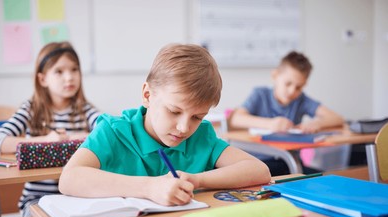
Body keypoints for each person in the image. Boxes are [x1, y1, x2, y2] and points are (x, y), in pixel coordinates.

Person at [59, 43, 271, 206]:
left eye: (197, 117)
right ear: (147, 95)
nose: (184, 128)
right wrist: (150, 187)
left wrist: (197, 180)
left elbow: (259, 171)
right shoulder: (113, 132)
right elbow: (69, 179)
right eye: (174, 111)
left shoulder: (201, 137)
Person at [0, 41, 100, 217]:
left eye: (74, 69)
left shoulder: (85, 110)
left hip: (76, 196)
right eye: (59, 71)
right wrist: (45, 140)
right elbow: (0, 140)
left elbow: (109, 131)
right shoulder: (31, 110)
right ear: (43, 79)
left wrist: (73, 136)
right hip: (37, 198)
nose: (69, 77)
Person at [229, 51, 344, 176]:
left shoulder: (301, 100)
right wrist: (270, 124)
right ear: (275, 75)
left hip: (290, 163)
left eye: (298, 87)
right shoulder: (260, 94)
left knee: (326, 178)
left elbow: (337, 118)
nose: (292, 91)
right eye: (288, 84)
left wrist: (317, 123)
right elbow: (236, 119)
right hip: (259, 163)